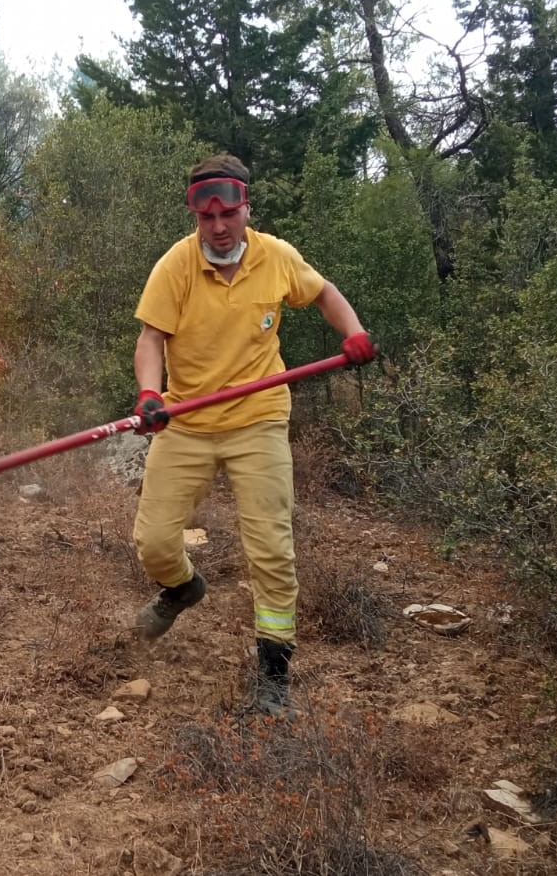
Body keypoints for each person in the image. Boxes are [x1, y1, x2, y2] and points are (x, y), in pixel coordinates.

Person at [129, 153, 375, 718]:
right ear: (196, 216)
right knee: (155, 543)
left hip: (259, 417)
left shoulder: (277, 257)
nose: (218, 228)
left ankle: (272, 674)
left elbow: (325, 294)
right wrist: (150, 394)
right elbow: (151, 339)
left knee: (270, 549)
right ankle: (183, 588)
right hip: (188, 419)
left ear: (245, 209)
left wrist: (354, 332)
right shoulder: (176, 266)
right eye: (206, 218)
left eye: (229, 215)